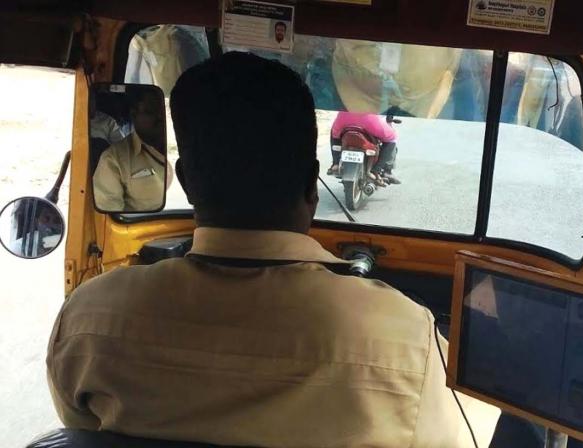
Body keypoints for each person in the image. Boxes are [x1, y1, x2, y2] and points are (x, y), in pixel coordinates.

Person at [48, 52, 497, 447]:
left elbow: (80, 428)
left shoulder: (88, 318)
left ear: (185, 181)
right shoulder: (403, 339)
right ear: (312, 184)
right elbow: (471, 434)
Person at [92, 89, 171, 212]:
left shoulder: (178, 145)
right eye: (151, 112)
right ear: (134, 115)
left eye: (161, 111)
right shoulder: (113, 159)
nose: (160, 117)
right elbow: (110, 215)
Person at [328, 111, 401, 184]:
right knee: (392, 138)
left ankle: (336, 163)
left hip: (344, 117)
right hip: (369, 119)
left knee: (335, 133)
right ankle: (376, 171)